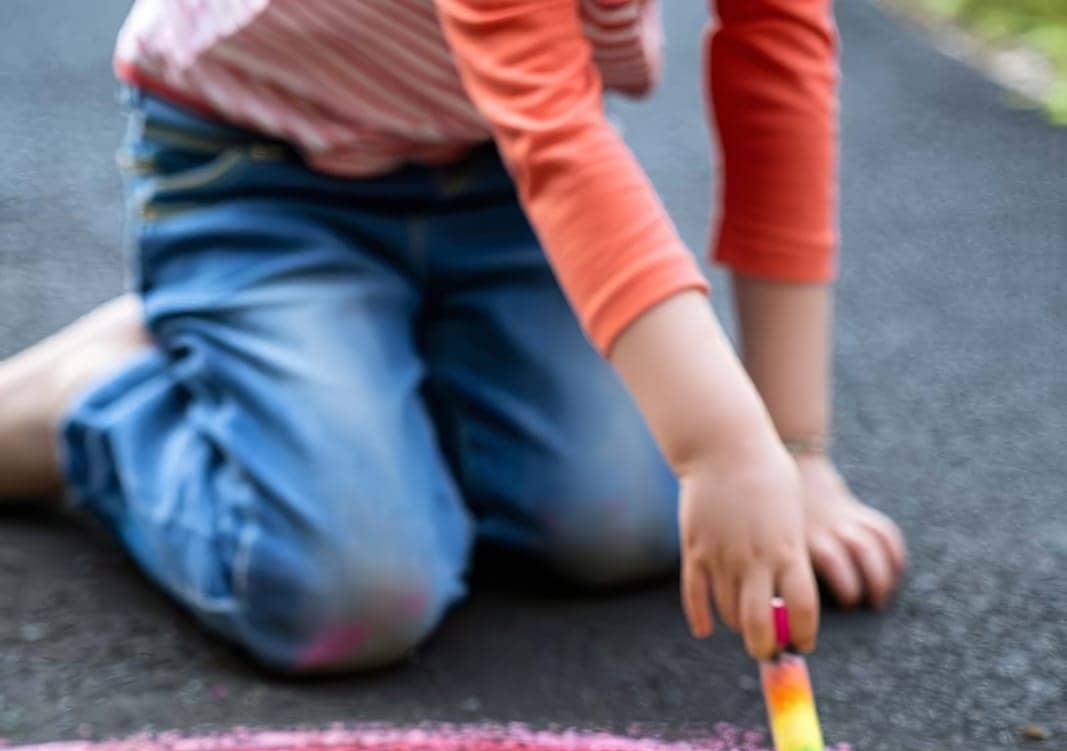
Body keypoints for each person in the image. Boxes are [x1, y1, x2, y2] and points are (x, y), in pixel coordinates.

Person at [0, 0, 905, 671]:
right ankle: (99, 393)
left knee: (617, 528)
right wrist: (722, 447)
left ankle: (319, 362)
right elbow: (560, 142)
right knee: (352, 597)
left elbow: (776, 70)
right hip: (263, 169)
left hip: (495, 173)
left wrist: (792, 450)